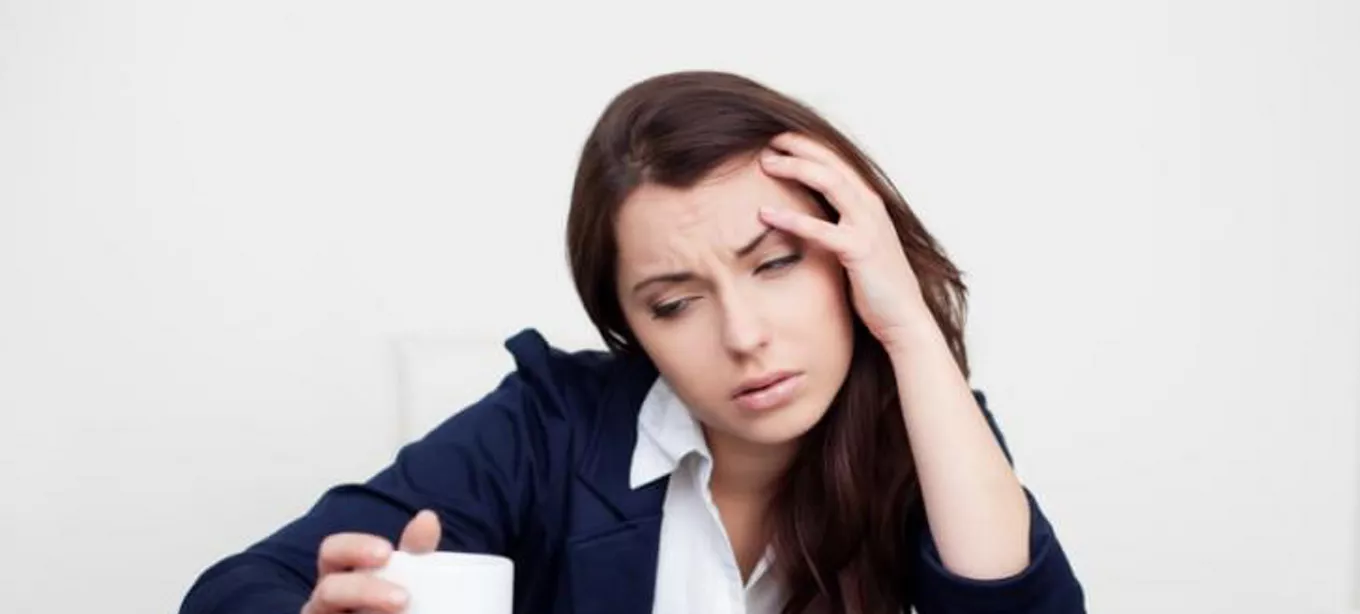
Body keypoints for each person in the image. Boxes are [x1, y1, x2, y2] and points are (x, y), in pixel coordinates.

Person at [179, 70, 1086, 614]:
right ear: (629, 327)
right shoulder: (546, 425)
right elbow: (237, 590)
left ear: (851, 255)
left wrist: (910, 327)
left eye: (774, 266)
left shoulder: (922, 431)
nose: (744, 336)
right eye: (674, 303)